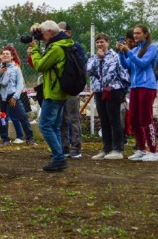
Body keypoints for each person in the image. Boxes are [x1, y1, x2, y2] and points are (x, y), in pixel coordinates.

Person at [27, 20, 74, 172]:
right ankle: (58, 156)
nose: (41, 36)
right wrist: (36, 26)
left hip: (53, 92)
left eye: (42, 33)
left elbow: (40, 66)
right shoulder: (63, 42)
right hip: (59, 91)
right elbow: (48, 26)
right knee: (54, 126)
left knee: (45, 126)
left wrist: (34, 50)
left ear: (50, 33)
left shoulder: (56, 48)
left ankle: (59, 157)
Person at [117, 24, 158, 161]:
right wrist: (121, 53)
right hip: (134, 87)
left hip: (147, 86)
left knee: (146, 118)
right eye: (134, 33)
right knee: (134, 119)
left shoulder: (152, 48)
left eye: (138, 33)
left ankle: (153, 151)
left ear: (146, 34)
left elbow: (143, 64)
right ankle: (141, 149)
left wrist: (128, 52)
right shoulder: (135, 50)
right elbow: (126, 66)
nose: (135, 35)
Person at [87, 33, 130, 160]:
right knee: (104, 120)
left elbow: (121, 72)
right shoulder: (93, 58)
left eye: (102, 42)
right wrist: (99, 59)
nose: (100, 44)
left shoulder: (115, 56)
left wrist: (124, 90)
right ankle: (106, 148)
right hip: (99, 91)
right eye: (98, 42)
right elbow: (89, 71)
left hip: (113, 90)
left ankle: (118, 148)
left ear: (108, 43)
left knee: (114, 119)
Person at [0, 49, 38, 146]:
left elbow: (20, 84)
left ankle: (30, 138)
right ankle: (5, 139)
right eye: (3, 54)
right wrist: (0, 73)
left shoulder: (16, 69)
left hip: (13, 97)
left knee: (23, 116)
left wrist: (15, 97)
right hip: (2, 97)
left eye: (7, 54)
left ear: (11, 57)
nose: (5, 55)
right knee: (2, 118)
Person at [58, 22, 85, 159]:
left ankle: (76, 147)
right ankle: (64, 146)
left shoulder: (75, 46)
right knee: (62, 119)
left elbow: (81, 66)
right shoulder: (55, 46)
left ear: (68, 32)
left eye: (61, 31)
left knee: (73, 118)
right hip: (59, 88)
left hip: (72, 88)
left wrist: (76, 84)